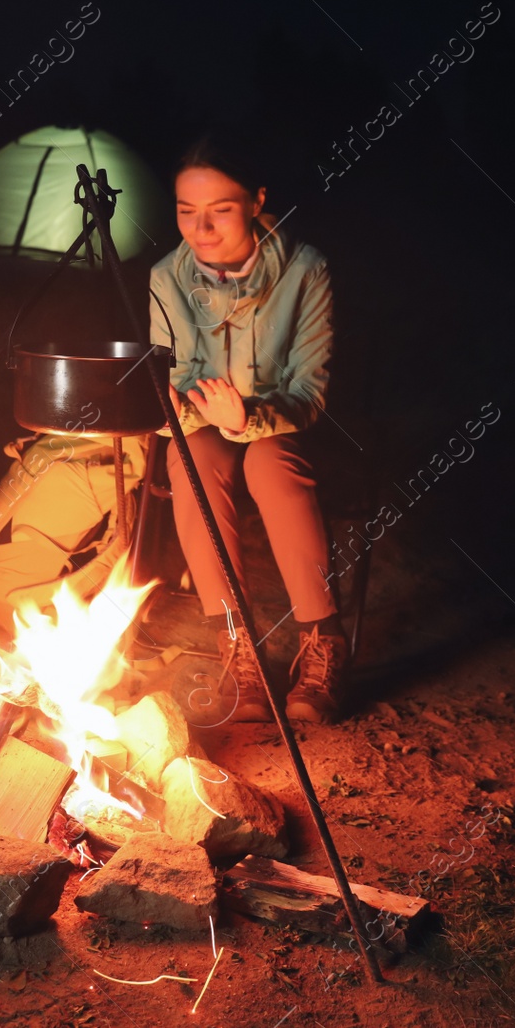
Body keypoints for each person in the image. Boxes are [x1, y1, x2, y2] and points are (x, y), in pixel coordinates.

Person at [149, 135, 350, 723]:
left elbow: (309, 392)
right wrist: (177, 408)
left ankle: (323, 640)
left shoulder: (305, 271)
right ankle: (239, 649)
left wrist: (251, 418)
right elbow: (176, 374)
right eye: (186, 212)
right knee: (190, 461)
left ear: (258, 200)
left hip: (283, 422)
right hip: (206, 420)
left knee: (269, 462)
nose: (201, 228)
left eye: (220, 210)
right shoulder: (168, 276)